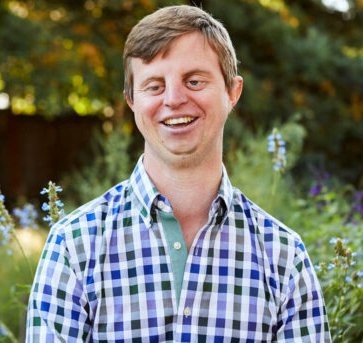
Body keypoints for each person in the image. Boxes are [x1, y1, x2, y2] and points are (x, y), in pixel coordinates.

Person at [26, 5, 330, 342]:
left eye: (194, 81)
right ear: (131, 101)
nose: (173, 99)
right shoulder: (74, 247)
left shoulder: (284, 257)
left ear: (232, 92)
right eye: (154, 86)